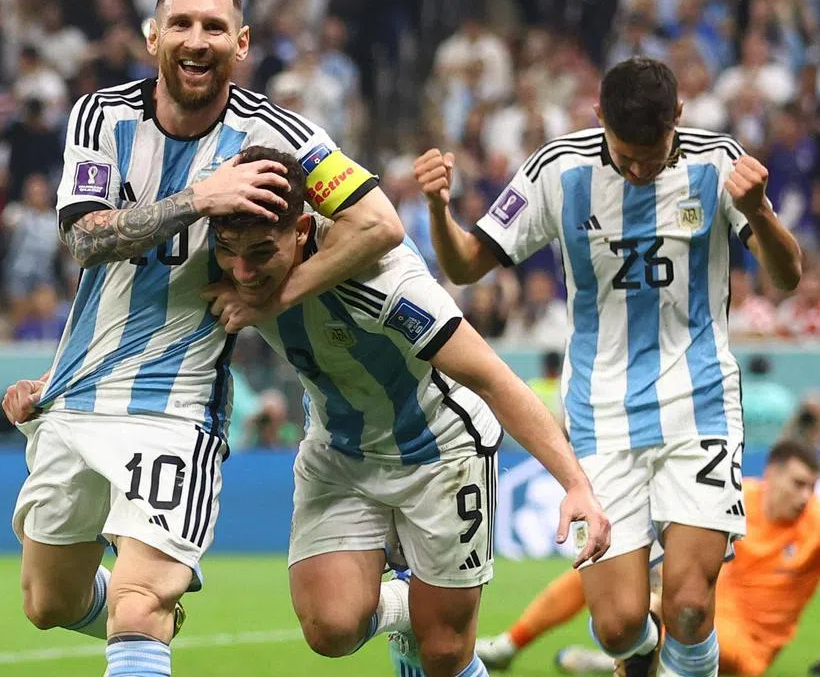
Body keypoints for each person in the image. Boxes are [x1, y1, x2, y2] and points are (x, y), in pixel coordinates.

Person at [0, 0, 404, 677]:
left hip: (175, 404)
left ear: (241, 43)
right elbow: (83, 238)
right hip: (77, 394)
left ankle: (150, 604)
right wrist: (199, 199)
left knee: (135, 606)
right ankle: (151, 602)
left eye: (215, 27)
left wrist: (272, 296)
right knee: (47, 602)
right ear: (152, 35)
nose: (196, 40)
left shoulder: (282, 136)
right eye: (180, 23)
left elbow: (378, 224)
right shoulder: (100, 115)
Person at [416, 56, 803, 676]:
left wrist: (757, 210)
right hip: (599, 419)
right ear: (598, 117)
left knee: (689, 607)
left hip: (699, 406)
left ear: (679, 117)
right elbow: (464, 264)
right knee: (618, 626)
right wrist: (439, 209)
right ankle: (640, 656)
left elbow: (787, 277)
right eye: (626, 157)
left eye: (653, 156)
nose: (640, 171)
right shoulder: (557, 170)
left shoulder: (718, 163)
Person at [203, 145, 611, 677]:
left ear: (301, 230)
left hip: (440, 450)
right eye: (228, 251)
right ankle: (407, 603)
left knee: (444, 653)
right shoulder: (218, 266)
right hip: (339, 450)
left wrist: (575, 485)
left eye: (261, 252)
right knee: (330, 628)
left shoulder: (384, 281)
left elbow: (492, 378)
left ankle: (423, 609)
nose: (242, 271)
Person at [478, 438, 820, 676]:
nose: (805, 495)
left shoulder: (814, 525)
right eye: (798, 483)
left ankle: (622, 655)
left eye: (811, 486)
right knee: (602, 564)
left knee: (682, 615)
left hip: (744, 643)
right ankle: (509, 645)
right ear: (771, 474)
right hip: (697, 599)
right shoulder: (737, 496)